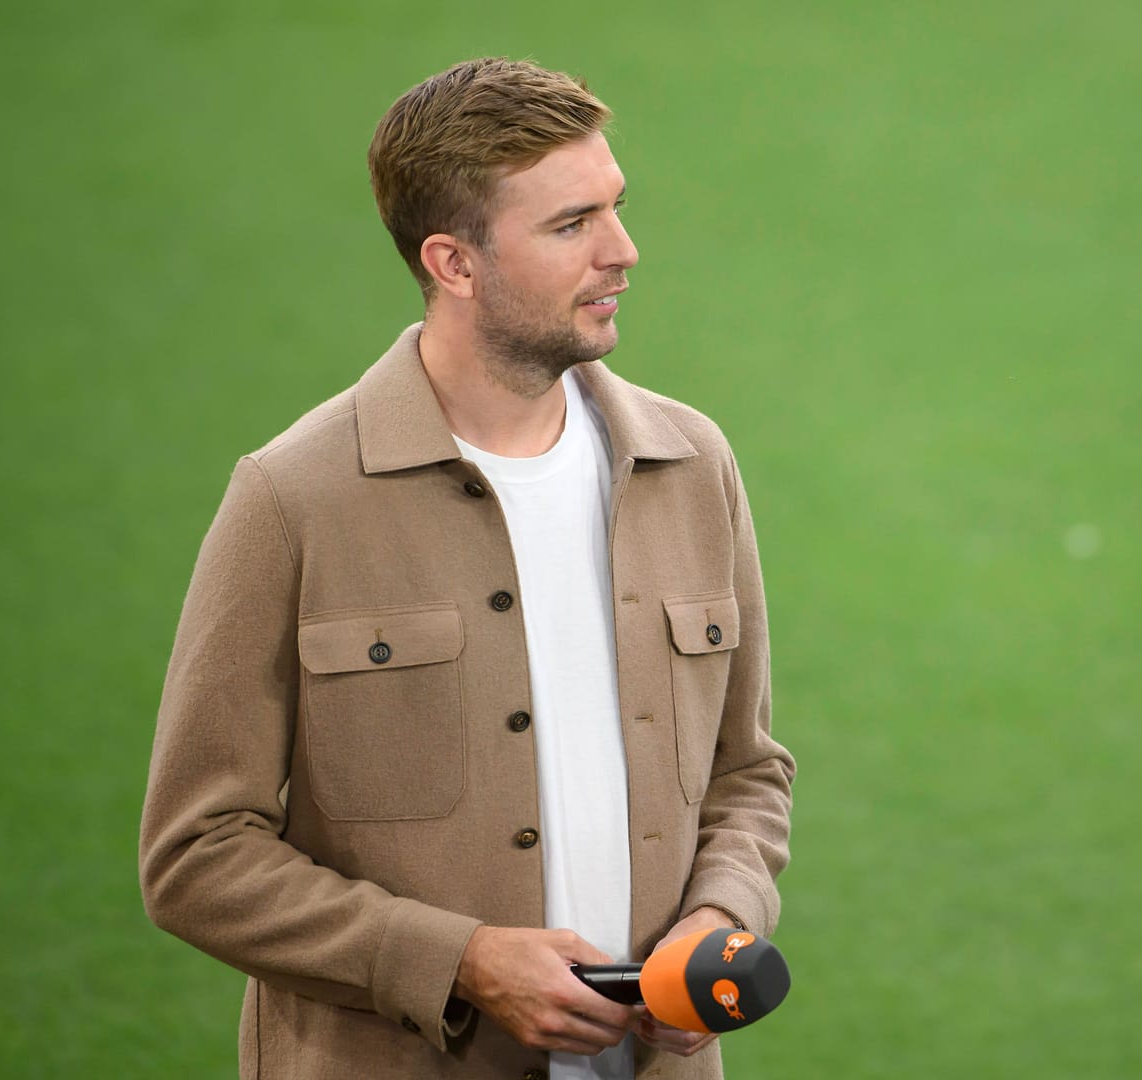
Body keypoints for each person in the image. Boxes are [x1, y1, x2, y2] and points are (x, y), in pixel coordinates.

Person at [139, 58, 794, 1080]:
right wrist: (462, 964)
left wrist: (721, 913)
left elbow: (746, 772)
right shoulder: (293, 498)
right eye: (572, 225)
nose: (624, 251)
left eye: (616, 208)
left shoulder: (691, 464)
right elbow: (196, 855)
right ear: (454, 263)